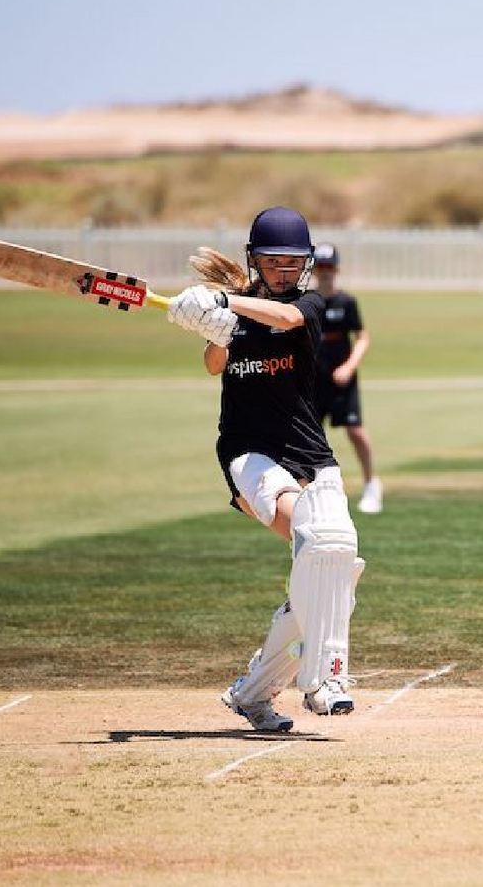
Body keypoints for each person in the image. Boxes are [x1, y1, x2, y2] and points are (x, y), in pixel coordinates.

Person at [166, 206, 364, 732]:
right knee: (316, 542)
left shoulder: (310, 304)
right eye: (271, 260)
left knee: (336, 561)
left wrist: (226, 301)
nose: (281, 268)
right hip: (250, 453)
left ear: (305, 264)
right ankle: (324, 683)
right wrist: (212, 326)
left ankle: (252, 693)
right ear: (254, 259)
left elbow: (287, 319)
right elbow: (213, 365)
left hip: (310, 452)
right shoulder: (237, 319)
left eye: (291, 261)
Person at [311, 242, 384, 514]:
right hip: (313, 381)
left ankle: (371, 484)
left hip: (342, 380)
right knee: (311, 436)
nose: (325, 271)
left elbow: (362, 337)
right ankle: (313, 491)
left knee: (355, 431)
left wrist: (349, 367)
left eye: (329, 266)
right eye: (320, 266)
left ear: (337, 269)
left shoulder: (347, 302)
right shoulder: (309, 302)